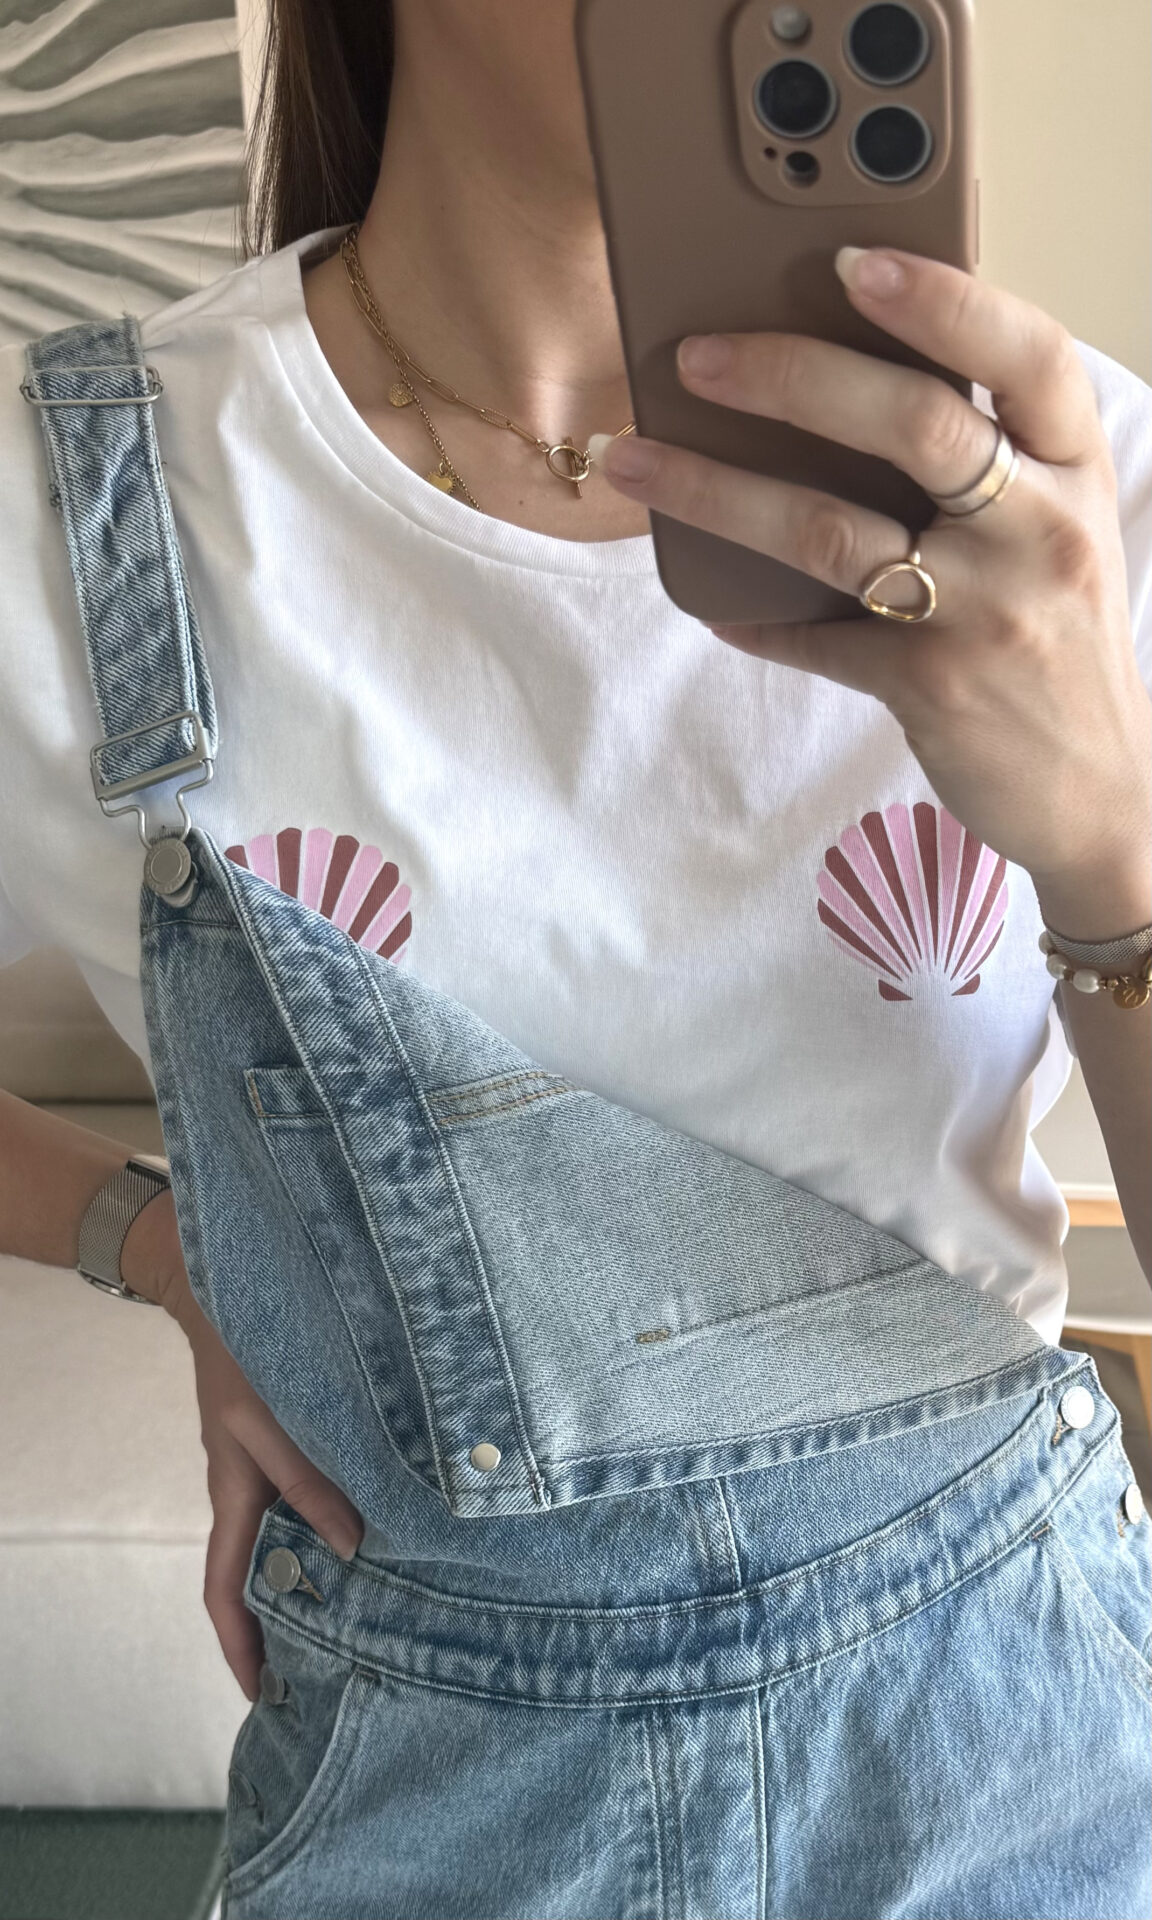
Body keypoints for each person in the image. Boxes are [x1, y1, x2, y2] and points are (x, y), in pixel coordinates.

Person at [2, 3, 1151, 1916]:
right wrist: (165, 1241)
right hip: (434, 1816)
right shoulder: (83, 512)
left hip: (1025, 1771)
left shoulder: (1071, 497)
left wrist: (1112, 849)